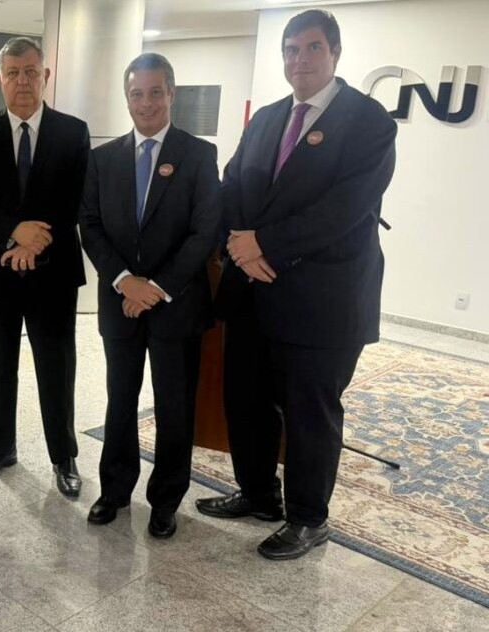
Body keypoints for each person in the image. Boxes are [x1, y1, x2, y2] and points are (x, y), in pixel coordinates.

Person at [198, 9, 397, 560]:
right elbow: (232, 185)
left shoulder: (369, 122)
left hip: (321, 299)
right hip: (252, 290)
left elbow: (344, 209)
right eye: (290, 50)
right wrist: (238, 242)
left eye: (312, 48)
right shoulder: (267, 118)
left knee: (310, 412)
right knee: (246, 399)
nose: (299, 60)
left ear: (335, 53)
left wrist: (263, 245)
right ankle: (258, 494)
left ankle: (309, 518)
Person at [79, 53, 221, 538]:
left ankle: (165, 500)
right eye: (137, 94)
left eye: (155, 92)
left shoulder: (198, 155)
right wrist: (125, 281)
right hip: (121, 304)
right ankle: (115, 490)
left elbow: (204, 232)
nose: (146, 103)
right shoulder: (103, 159)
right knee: (119, 400)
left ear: (171, 94)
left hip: (176, 306)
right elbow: (90, 226)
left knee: (174, 407)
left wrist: (156, 288)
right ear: (127, 98)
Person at [0, 36, 90, 496]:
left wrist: (36, 242)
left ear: (45, 76)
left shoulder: (73, 132)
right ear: (0, 80)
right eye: (13, 73)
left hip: (54, 271)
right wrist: (13, 233)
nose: (23, 81)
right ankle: (0, 449)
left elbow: (78, 198)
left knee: (57, 365)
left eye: (31, 71)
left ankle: (64, 456)